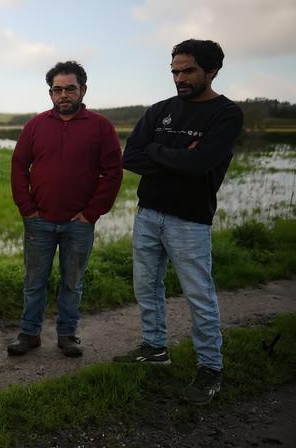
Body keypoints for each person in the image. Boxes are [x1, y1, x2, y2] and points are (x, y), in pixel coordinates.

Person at [114, 39, 244, 405]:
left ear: (212, 70)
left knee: (199, 295)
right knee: (146, 286)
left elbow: (200, 164)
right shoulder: (160, 110)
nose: (179, 78)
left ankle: (210, 368)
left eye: (188, 70)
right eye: (175, 71)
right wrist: (173, 155)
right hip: (148, 213)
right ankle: (155, 348)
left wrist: (160, 153)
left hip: (190, 220)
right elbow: (132, 157)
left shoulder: (226, 114)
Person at [8, 61, 123, 358]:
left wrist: (90, 214)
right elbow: (19, 166)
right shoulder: (35, 125)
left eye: (70, 89)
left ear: (82, 90)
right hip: (39, 222)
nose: (63, 95)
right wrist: (27, 209)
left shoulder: (101, 127)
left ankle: (67, 335)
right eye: (57, 90)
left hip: (79, 223)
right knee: (34, 282)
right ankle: (29, 334)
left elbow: (112, 173)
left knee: (72, 282)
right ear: (50, 93)